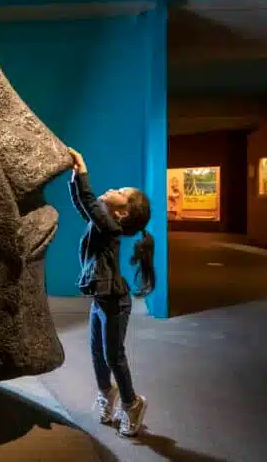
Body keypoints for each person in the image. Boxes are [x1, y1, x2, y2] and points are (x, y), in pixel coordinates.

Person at [67, 147, 155, 438]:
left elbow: (89, 202)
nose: (114, 189)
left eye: (121, 192)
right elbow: (84, 205)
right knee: (97, 352)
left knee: (113, 355)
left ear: (123, 213)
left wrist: (83, 168)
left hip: (116, 303)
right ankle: (107, 393)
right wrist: (75, 178)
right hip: (101, 301)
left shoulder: (111, 228)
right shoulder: (103, 223)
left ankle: (132, 404)